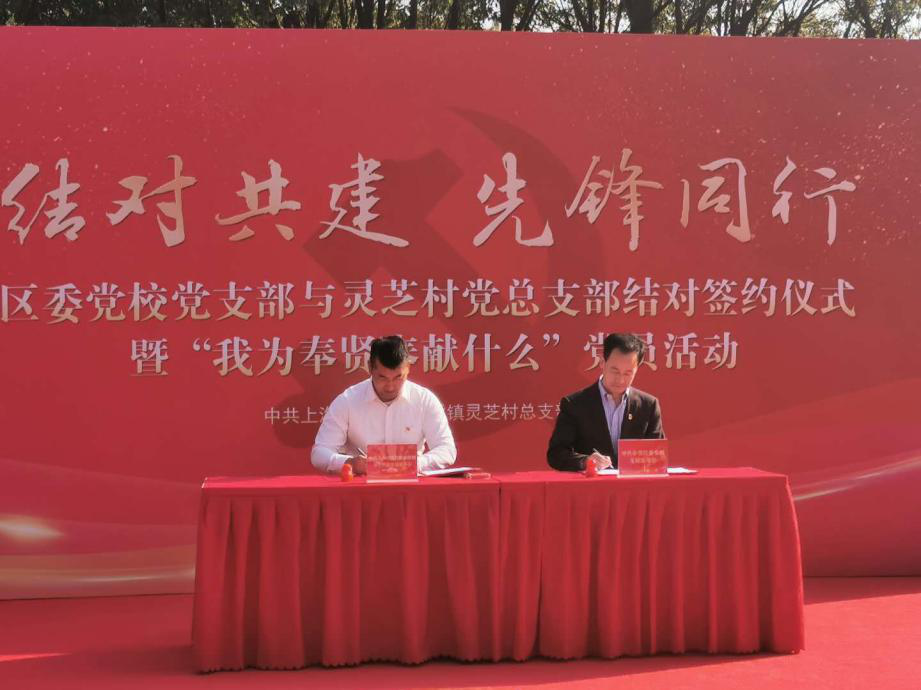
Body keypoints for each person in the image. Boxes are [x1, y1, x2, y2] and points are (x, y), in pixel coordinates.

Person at [311, 335, 457, 475]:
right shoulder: (347, 401)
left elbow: (447, 449)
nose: (390, 387)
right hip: (360, 484)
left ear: (408, 368)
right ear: (370, 368)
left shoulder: (424, 400)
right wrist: (351, 463)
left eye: (398, 377)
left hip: (412, 483)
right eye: (382, 377)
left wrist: (415, 464)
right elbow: (320, 452)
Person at [547, 332, 664, 472]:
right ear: (602, 363)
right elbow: (556, 454)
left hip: (634, 484)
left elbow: (657, 455)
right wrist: (585, 461)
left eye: (628, 373)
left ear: (637, 369)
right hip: (591, 484)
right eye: (615, 371)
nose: (620, 380)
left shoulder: (648, 406)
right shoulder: (575, 404)